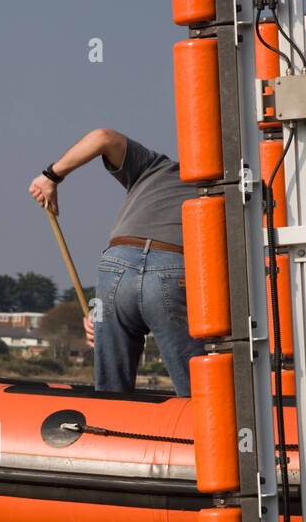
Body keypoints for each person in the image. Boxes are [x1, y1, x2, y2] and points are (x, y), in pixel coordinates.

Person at [28, 129, 205, 396]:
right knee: (199, 397)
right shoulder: (230, 194)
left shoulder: (154, 167)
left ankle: (108, 428)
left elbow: (103, 137)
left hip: (116, 265)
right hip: (174, 266)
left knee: (111, 396)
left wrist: (51, 176)